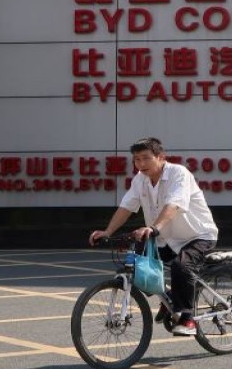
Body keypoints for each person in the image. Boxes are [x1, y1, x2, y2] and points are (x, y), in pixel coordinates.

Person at [89, 137, 218, 336]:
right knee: (139, 265)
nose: (140, 164)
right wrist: (108, 231)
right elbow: (126, 207)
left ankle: (187, 318)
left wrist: (154, 227)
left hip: (198, 235)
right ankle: (168, 296)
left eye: (146, 158)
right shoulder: (140, 180)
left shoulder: (178, 174)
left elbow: (173, 205)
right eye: (136, 159)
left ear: (161, 157)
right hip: (165, 237)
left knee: (181, 267)